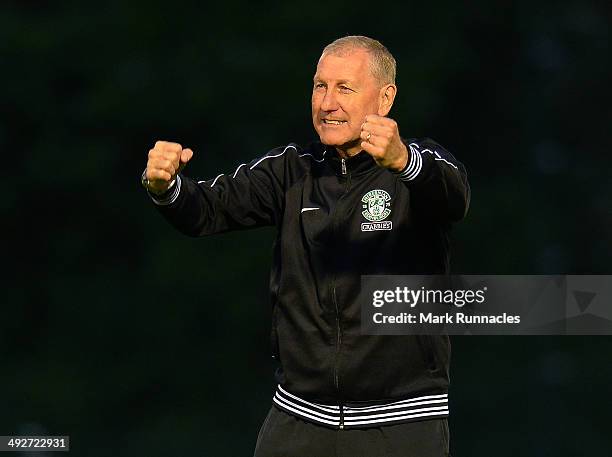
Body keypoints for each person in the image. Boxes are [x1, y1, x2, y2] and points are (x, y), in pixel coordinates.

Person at [142, 36, 469, 457]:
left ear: (385, 99)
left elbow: (454, 197)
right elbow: (206, 209)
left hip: (401, 424)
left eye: (344, 88)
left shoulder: (420, 167)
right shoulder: (291, 170)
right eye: (320, 86)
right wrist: (165, 186)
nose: (327, 103)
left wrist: (404, 161)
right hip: (298, 421)